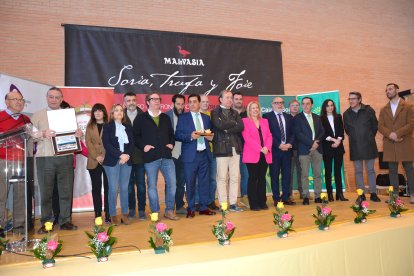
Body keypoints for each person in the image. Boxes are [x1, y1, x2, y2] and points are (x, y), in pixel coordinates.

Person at [31, 87, 82, 233]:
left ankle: (65, 220)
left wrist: (79, 134)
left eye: (57, 97)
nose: (54, 100)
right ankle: (46, 222)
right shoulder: (38, 115)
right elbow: (31, 135)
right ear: (47, 98)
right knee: (46, 192)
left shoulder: (68, 114)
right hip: (45, 157)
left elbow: (76, 134)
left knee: (66, 191)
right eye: (51, 97)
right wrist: (42, 133)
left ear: (61, 99)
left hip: (65, 157)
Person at [134, 92, 179, 220]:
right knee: (152, 186)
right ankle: (155, 212)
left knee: (172, 184)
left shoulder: (165, 117)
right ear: (147, 102)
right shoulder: (140, 118)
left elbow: (171, 134)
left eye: (158, 99)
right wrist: (144, 146)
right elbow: (136, 136)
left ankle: (169, 210)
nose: (157, 101)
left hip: (166, 156)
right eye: (153, 99)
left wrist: (171, 143)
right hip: (150, 158)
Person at [175, 94, 216, 218]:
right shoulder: (183, 118)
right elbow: (177, 135)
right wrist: (190, 136)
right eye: (190, 102)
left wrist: (211, 137)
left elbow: (210, 134)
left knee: (205, 183)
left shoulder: (206, 118)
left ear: (199, 103)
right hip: (190, 156)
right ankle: (191, 208)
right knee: (190, 182)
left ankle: (203, 207)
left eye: (194, 102)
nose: (192, 104)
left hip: (204, 154)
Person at [0, 85, 31, 237]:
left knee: (20, 195)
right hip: (3, 160)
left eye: (21, 100)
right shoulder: (1, 116)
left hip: (20, 161)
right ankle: (1, 225)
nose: (19, 102)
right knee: (1, 194)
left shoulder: (26, 119)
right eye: (15, 99)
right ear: (7, 102)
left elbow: (33, 137)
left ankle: (19, 226)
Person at [378, 83, 414, 203]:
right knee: (392, 170)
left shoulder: (408, 106)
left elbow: (411, 124)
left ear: (396, 90)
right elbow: (380, 126)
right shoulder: (384, 109)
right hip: (390, 142)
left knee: (409, 169)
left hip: (405, 141)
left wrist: (397, 134)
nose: (388, 91)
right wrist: (391, 135)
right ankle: (394, 195)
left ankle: (413, 194)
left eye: (390, 89)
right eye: (386, 90)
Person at [343, 92, 381, 202]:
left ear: (360, 100)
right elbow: (347, 130)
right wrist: (356, 138)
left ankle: (373, 193)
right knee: (358, 171)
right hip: (355, 145)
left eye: (353, 99)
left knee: (370, 170)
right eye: (349, 99)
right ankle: (361, 194)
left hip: (369, 145)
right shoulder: (346, 114)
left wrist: (368, 137)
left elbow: (375, 126)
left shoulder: (368, 110)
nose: (351, 101)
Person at [211, 90, 244, 212]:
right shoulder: (214, 112)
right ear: (220, 99)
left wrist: (228, 128)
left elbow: (241, 127)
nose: (230, 100)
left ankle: (233, 203)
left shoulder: (235, 112)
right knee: (222, 178)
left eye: (231, 98)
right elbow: (218, 125)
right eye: (227, 97)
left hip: (235, 148)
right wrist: (232, 124)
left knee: (235, 177)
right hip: (221, 149)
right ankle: (223, 204)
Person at [102, 104, 134, 225]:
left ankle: (125, 214)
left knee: (125, 188)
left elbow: (132, 143)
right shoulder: (108, 126)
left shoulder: (128, 127)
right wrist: (120, 155)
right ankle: (113, 215)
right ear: (112, 113)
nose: (119, 112)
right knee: (113, 189)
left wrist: (126, 156)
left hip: (126, 160)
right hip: (112, 161)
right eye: (116, 110)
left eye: (121, 110)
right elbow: (107, 144)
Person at [263, 97, 295, 205]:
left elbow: (293, 133)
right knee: (274, 175)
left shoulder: (289, 117)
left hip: (287, 151)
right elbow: (268, 134)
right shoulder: (267, 117)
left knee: (287, 175)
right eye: (277, 103)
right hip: (275, 151)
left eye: (281, 103)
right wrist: (279, 145)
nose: (279, 105)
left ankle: (285, 197)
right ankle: (276, 198)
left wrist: (289, 144)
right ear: (272, 104)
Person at [294, 97, 325, 205]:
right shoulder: (298, 118)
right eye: (303, 104)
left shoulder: (317, 117)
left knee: (317, 174)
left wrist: (316, 143)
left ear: (312, 105)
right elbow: (298, 134)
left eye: (308, 104)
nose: (305, 106)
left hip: (317, 149)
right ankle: (306, 196)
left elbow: (322, 131)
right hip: (304, 150)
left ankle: (318, 196)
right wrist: (312, 143)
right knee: (304, 175)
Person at [242, 101, 272, 210]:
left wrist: (267, 148)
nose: (255, 110)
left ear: (259, 110)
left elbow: (269, 135)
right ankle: (254, 204)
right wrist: (260, 149)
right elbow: (247, 138)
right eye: (252, 108)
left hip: (265, 154)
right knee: (253, 178)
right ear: (249, 110)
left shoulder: (265, 121)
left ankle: (262, 202)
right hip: (252, 154)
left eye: (256, 108)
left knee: (262, 178)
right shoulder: (245, 121)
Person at [123, 92, 146, 220]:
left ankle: (142, 210)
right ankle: (131, 209)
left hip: (140, 156)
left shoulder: (143, 115)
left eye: (133, 100)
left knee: (141, 185)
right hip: (126, 157)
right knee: (129, 186)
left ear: (136, 101)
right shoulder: (120, 116)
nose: (131, 102)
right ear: (124, 103)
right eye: (128, 100)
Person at [85, 103, 110, 223]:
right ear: (93, 113)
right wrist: (97, 156)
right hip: (93, 161)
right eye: (95, 111)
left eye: (100, 111)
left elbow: (112, 142)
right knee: (96, 188)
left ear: (104, 112)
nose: (98, 113)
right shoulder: (89, 126)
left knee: (108, 188)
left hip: (108, 161)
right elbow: (88, 143)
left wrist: (104, 156)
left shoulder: (110, 125)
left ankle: (109, 213)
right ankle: (98, 214)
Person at [320, 99, 348, 201]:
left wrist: (338, 141)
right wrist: (333, 140)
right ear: (324, 107)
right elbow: (322, 133)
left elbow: (341, 130)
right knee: (328, 171)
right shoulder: (321, 118)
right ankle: (330, 194)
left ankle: (340, 194)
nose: (330, 107)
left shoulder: (338, 117)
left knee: (337, 171)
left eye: (332, 105)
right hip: (327, 148)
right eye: (328, 106)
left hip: (339, 147)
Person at [166, 94, 187, 215]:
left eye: (182, 104)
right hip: (170, 155)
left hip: (184, 155)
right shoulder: (166, 116)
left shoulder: (187, 117)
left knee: (181, 182)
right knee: (170, 182)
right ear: (173, 104)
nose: (180, 107)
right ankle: (169, 208)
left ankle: (179, 206)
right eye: (178, 104)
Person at [200, 95, 218, 210]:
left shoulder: (212, 115)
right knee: (199, 179)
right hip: (199, 152)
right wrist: (206, 134)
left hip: (212, 151)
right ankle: (199, 202)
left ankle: (211, 201)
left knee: (212, 179)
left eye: (207, 102)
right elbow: (194, 133)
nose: (205, 104)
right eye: (203, 102)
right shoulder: (194, 116)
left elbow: (214, 134)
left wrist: (203, 133)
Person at [232, 92, 249, 208]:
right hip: (231, 148)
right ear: (232, 100)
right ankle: (231, 200)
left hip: (245, 148)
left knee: (246, 174)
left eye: (240, 99)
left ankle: (244, 196)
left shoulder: (246, 114)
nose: (238, 101)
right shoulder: (228, 113)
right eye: (236, 99)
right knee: (231, 176)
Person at [289, 99, 302, 199]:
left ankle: (303, 193)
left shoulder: (302, 118)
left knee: (302, 172)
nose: (295, 107)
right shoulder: (286, 118)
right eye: (293, 105)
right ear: (289, 107)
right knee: (289, 172)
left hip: (301, 149)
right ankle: (289, 194)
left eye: (297, 105)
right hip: (289, 150)